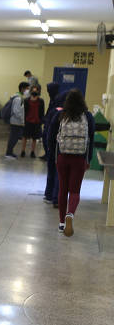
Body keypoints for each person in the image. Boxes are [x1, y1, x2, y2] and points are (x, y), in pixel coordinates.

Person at [47, 89, 95, 237]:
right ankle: (70, 214)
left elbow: (50, 136)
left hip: (62, 157)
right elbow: (91, 139)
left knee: (63, 189)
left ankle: (62, 223)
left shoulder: (60, 115)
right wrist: (88, 159)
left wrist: (53, 154)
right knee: (75, 191)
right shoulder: (88, 116)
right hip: (79, 158)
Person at [42, 82, 63, 204]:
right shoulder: (57, 102)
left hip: (52, 144)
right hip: (56, 146)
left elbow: (49, 129)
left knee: (53, 171)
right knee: (55, 172)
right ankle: (53, 195)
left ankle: (51, 195)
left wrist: (48, 146)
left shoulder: (55, 104)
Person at [5, 82, 29, 159]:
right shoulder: (18, 98)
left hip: (16, 121)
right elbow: (16, 111)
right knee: (13, 138)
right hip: (16, 122)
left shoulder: (19, 97)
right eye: (27, 89)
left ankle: (10, 152)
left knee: (14, 137)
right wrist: (22, 121)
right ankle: (9, 153)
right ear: (22, 89)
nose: (27, 90)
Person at [20, 88, 45, 158]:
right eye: (33, 90)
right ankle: (23, 151)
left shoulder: (41, 101)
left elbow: (42, 112)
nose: (34, 92)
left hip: (36, 121)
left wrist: (41, 121)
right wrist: (23, 121)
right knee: (25, 137)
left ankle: (32, 152)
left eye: (36, 90)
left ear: (38, 92)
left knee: (34, 138)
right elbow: (23, 111)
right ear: (31, 92)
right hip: (27, 121)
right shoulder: (26, 100)